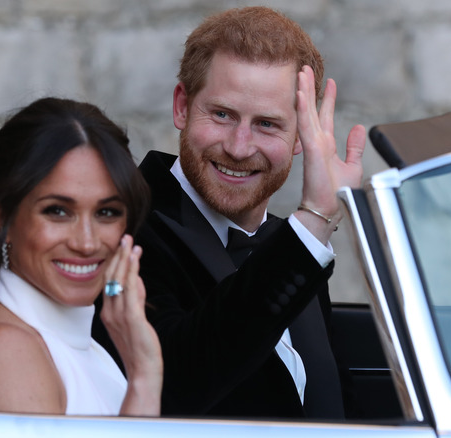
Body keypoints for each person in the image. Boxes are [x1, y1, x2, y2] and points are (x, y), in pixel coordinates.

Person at [92, 7, 367, 419]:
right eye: (222, 115)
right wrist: (313, 223)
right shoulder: (121, 226)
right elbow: (173, 384)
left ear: (300, 137)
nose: (239, 147)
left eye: (268, 124)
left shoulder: (287, 242)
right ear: (182, 106)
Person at [0, 97, 163, 416]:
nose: (87, 243)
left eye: (106, 212)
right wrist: (145, 379)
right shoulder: (5, 352)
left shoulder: (87, 348)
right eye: (58, 211)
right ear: (2, 216)